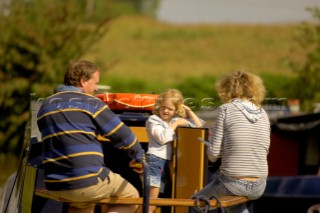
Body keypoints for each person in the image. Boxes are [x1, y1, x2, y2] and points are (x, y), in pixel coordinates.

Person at [37, 60, 144, 213]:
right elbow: (123, 135)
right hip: (86, 181)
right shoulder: (91, 103)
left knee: (82, 204)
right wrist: (140, 157)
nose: (96, 88)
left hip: (55, 183)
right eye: (95, 83)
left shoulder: (45, 105)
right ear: (82, 81)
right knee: (132, 198)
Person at [191, 70, 271, 213]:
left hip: (233, 182)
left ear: (226, 89)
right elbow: (264, 148)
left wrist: (214, 148)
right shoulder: (263, 113)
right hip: (260, 184)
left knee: (195, 205)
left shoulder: (226, 109)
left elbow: (213, 154)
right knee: (236, 205)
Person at [145, 88, 205, 213]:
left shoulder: (173, 121)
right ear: (158, 106)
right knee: (152, 199)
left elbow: (198, 126)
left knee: (156, 198)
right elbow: (162, 138)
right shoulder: (153, 120)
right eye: (163, 107)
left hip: (166, 161)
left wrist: (188, 110)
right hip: (155, 161)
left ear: (176, 110)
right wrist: (176, 124)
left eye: (170, 109)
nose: (165, 111)